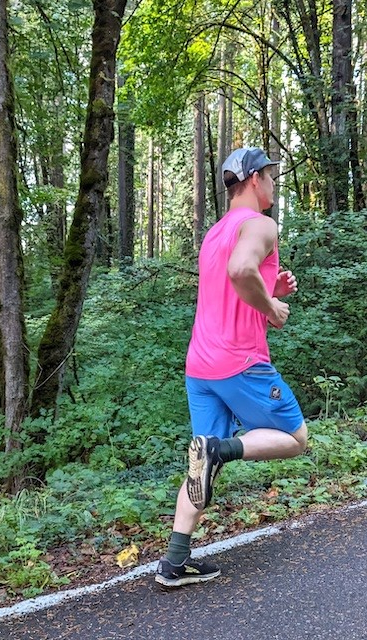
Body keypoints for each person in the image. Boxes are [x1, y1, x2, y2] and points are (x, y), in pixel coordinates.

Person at [154, 147, 308, 588]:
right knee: (295, 439)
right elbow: (242, 270)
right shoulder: (261, 224)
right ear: (255, 179)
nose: (275, 184)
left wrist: (269, 289)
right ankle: (222, 448)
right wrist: (275, 310)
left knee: (201, 464)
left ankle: (175, 562)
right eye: (272, 176)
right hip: (239, 363)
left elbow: (233, 290)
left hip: (200, 365)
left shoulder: (215, 233)